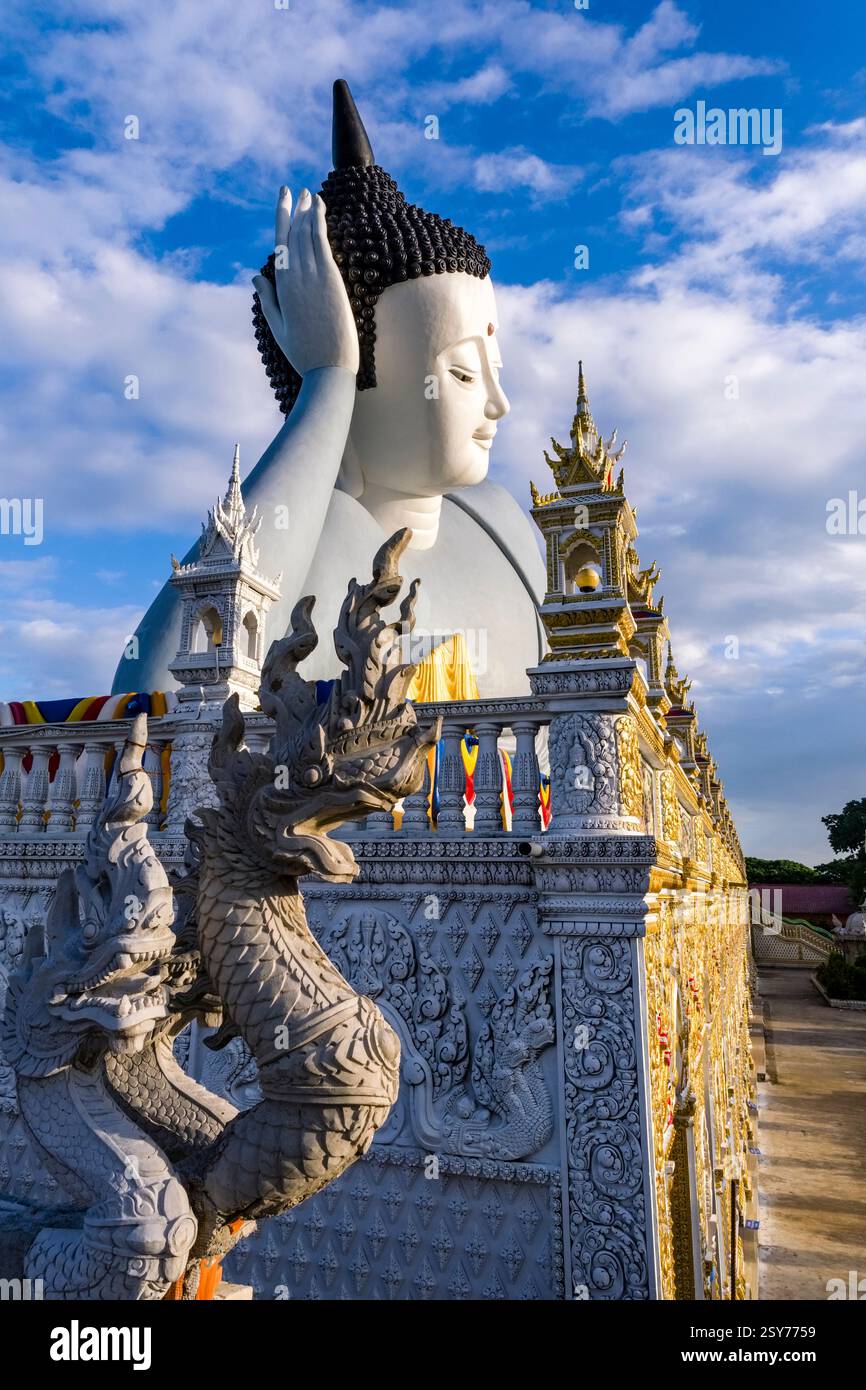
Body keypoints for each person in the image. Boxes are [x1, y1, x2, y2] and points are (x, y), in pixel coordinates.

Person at [113, 81, 545, 700]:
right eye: (462, 374)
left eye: (493, 370)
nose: (497, 403)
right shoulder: (314, 538)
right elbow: (158, 702)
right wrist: (327, 378)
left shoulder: (500, 523)